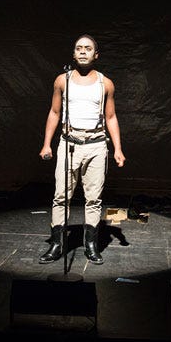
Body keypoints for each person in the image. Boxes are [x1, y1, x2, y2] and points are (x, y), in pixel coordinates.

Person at [38, 34, 125, 265]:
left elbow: (111, 116)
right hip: (69, 143)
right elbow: (54, 113)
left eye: (88, 48)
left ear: (96, 55)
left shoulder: (105, 83)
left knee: (93, 198)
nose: (83, 51)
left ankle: (91, 244)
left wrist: (118, 148)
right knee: (60, 196)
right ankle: (57, 244)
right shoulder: (62, 81)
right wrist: (47, 144)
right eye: (79, 48)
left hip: (96, 145)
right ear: (73, 54)